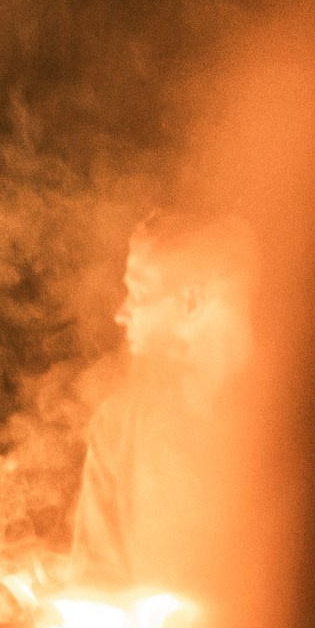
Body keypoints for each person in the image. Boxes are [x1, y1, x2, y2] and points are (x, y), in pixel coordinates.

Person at [69, 210, 257, 598]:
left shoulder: (298, 423)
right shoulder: (118, 426)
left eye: (139, 294)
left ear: (191, 300)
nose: (121, 314)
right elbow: (95, 591)